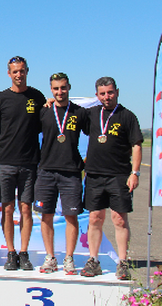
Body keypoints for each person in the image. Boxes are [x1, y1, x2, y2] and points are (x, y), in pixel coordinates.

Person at [80, 77, 142, 280]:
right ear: (97, 95)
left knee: (119, 220)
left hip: (119, 176)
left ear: (117, 92)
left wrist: (135, 173)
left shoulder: (127, 116)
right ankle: (93, 260)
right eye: (102, 93)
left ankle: (123, 262)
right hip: (95, 175)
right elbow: (68, 110)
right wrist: (51, 101)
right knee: (95, 218)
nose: (107, 96)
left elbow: (136, 145)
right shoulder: (91, 114)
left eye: (110, 92)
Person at [0, 56, 46, 271]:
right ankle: (11, 252)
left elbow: (48, 123)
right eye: (15, 71)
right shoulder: (0, 99)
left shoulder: (37, 97)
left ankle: (24, 253)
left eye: (22, 71)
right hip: (5, 161)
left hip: (29, 162)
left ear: (27, 71)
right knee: (7, 209)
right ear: (9, 73)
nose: (18, 74)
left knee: (26, 210)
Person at [35, 73, 88, 275]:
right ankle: (50, 258)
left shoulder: (79, 113)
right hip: (46, 171)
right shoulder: (44, 111)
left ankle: (69, 258)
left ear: (69, 87)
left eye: (63, 88)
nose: (60, 92)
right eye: (56, 88)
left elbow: (97, 133)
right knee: (46, 216)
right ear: (51, 90)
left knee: (71, 216)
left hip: (71, 173)